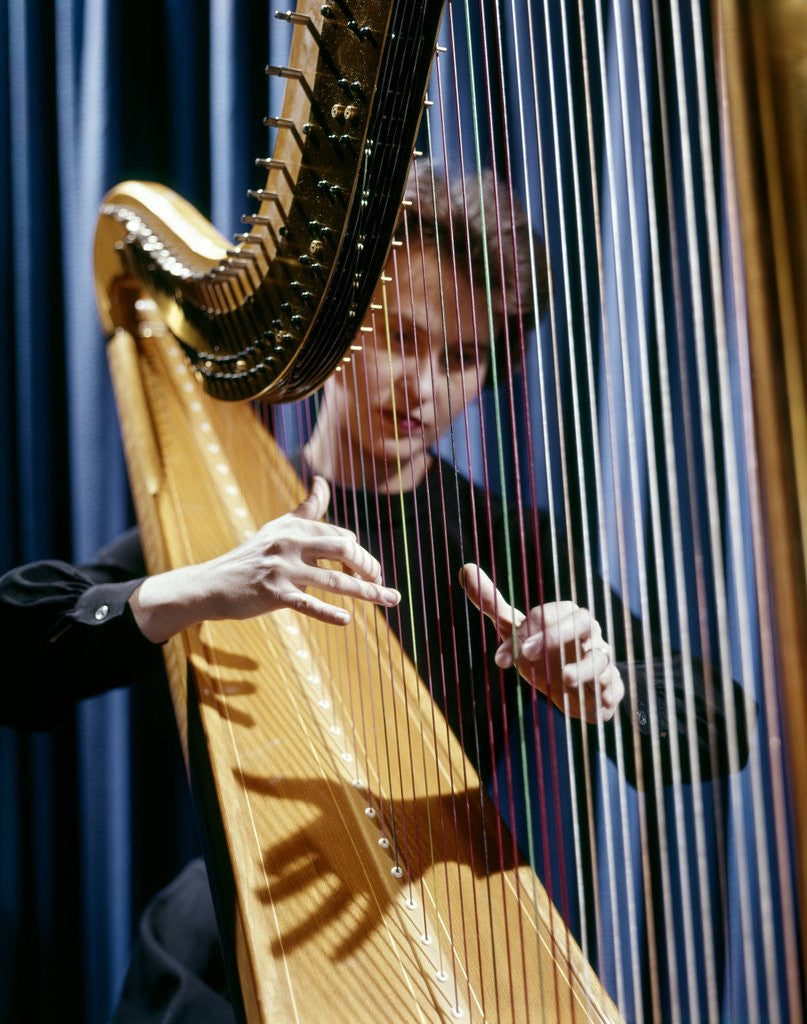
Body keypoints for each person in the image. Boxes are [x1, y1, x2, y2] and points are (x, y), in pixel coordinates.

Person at [2, 162, 751, 1022]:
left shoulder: (517, 545)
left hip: (449, 931)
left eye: (463, 357)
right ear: (334, 331)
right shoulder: (235, 539)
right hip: (230, 933)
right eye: (399, 335)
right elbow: (13, 640)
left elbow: (715, 718)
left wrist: (615, 691)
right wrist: (193, 586)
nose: (422, 386)